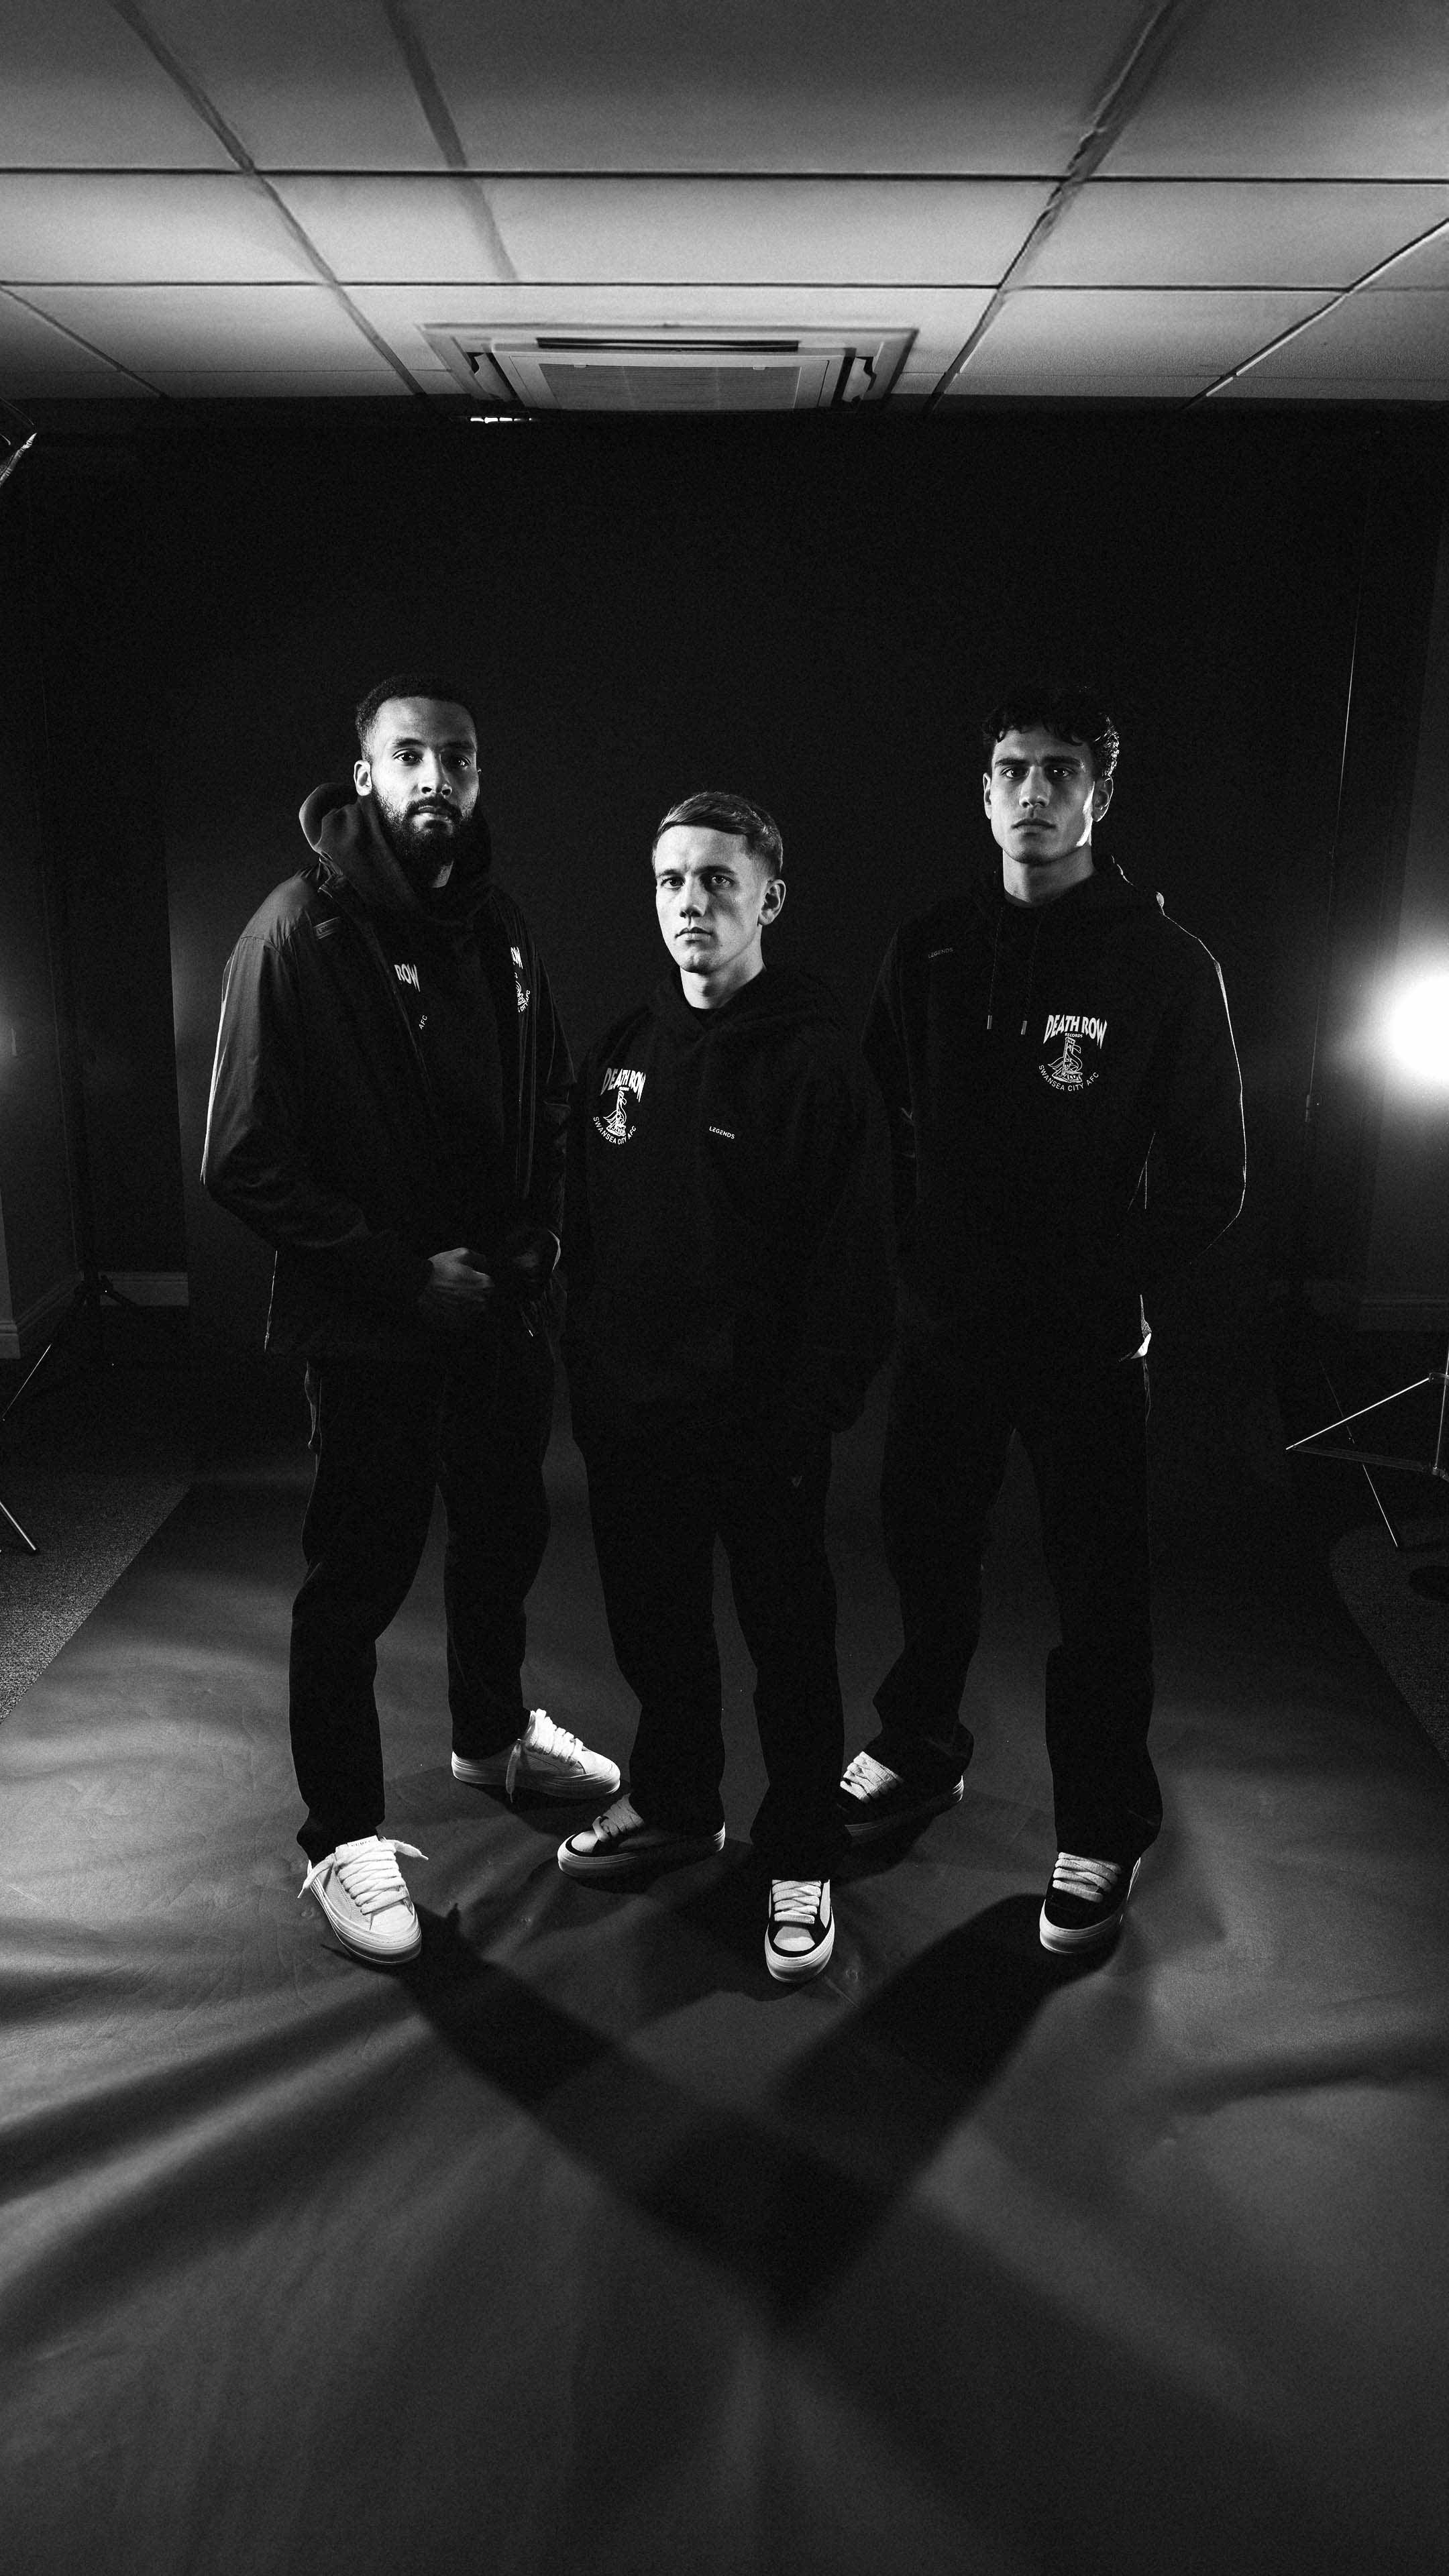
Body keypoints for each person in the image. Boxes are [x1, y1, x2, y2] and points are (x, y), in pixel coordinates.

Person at [203, 675, 619, 1966]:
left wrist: (539, 1241)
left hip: (496, 1316)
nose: (437, 777)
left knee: (504, 1532)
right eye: (411, 756)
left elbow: (553, 1096)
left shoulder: (499, 923)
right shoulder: (294, 936)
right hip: (373, 1325)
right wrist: (397, 1274)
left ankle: (490, 1737)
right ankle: (341, 1838)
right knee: (357, 1579)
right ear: (367, 775)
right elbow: (241, 1160)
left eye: (459, 757)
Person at [840, 684, 1244, 1955]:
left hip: (1082, 1344)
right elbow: (874, 1124)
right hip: (947, 1334)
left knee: (1098, 1593)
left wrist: (1099, 1278)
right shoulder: (931, 946)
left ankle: (1104, 1824)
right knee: (925, 1549)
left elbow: (1214, 1176)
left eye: (1060, 772)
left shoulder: (1164, 963)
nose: (1033, 793)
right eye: (1012, 770)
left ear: (1099, 795)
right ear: (984, 794)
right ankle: (920, 1743)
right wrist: (913, 1264)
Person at [557, 792, 894, 1984]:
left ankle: (800, 1850)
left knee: (788, 1648)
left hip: (762, 1428)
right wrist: (594, 1385)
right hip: (635, 1419)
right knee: (656, 1630)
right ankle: (675, 1803)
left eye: (716, 880)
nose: (691, 903)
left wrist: (807, 1416)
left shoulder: (817, 1063)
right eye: (671, 881)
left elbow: (858, 1267)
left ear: (769, 899)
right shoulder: (625, 1048)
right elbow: (585, 1235)